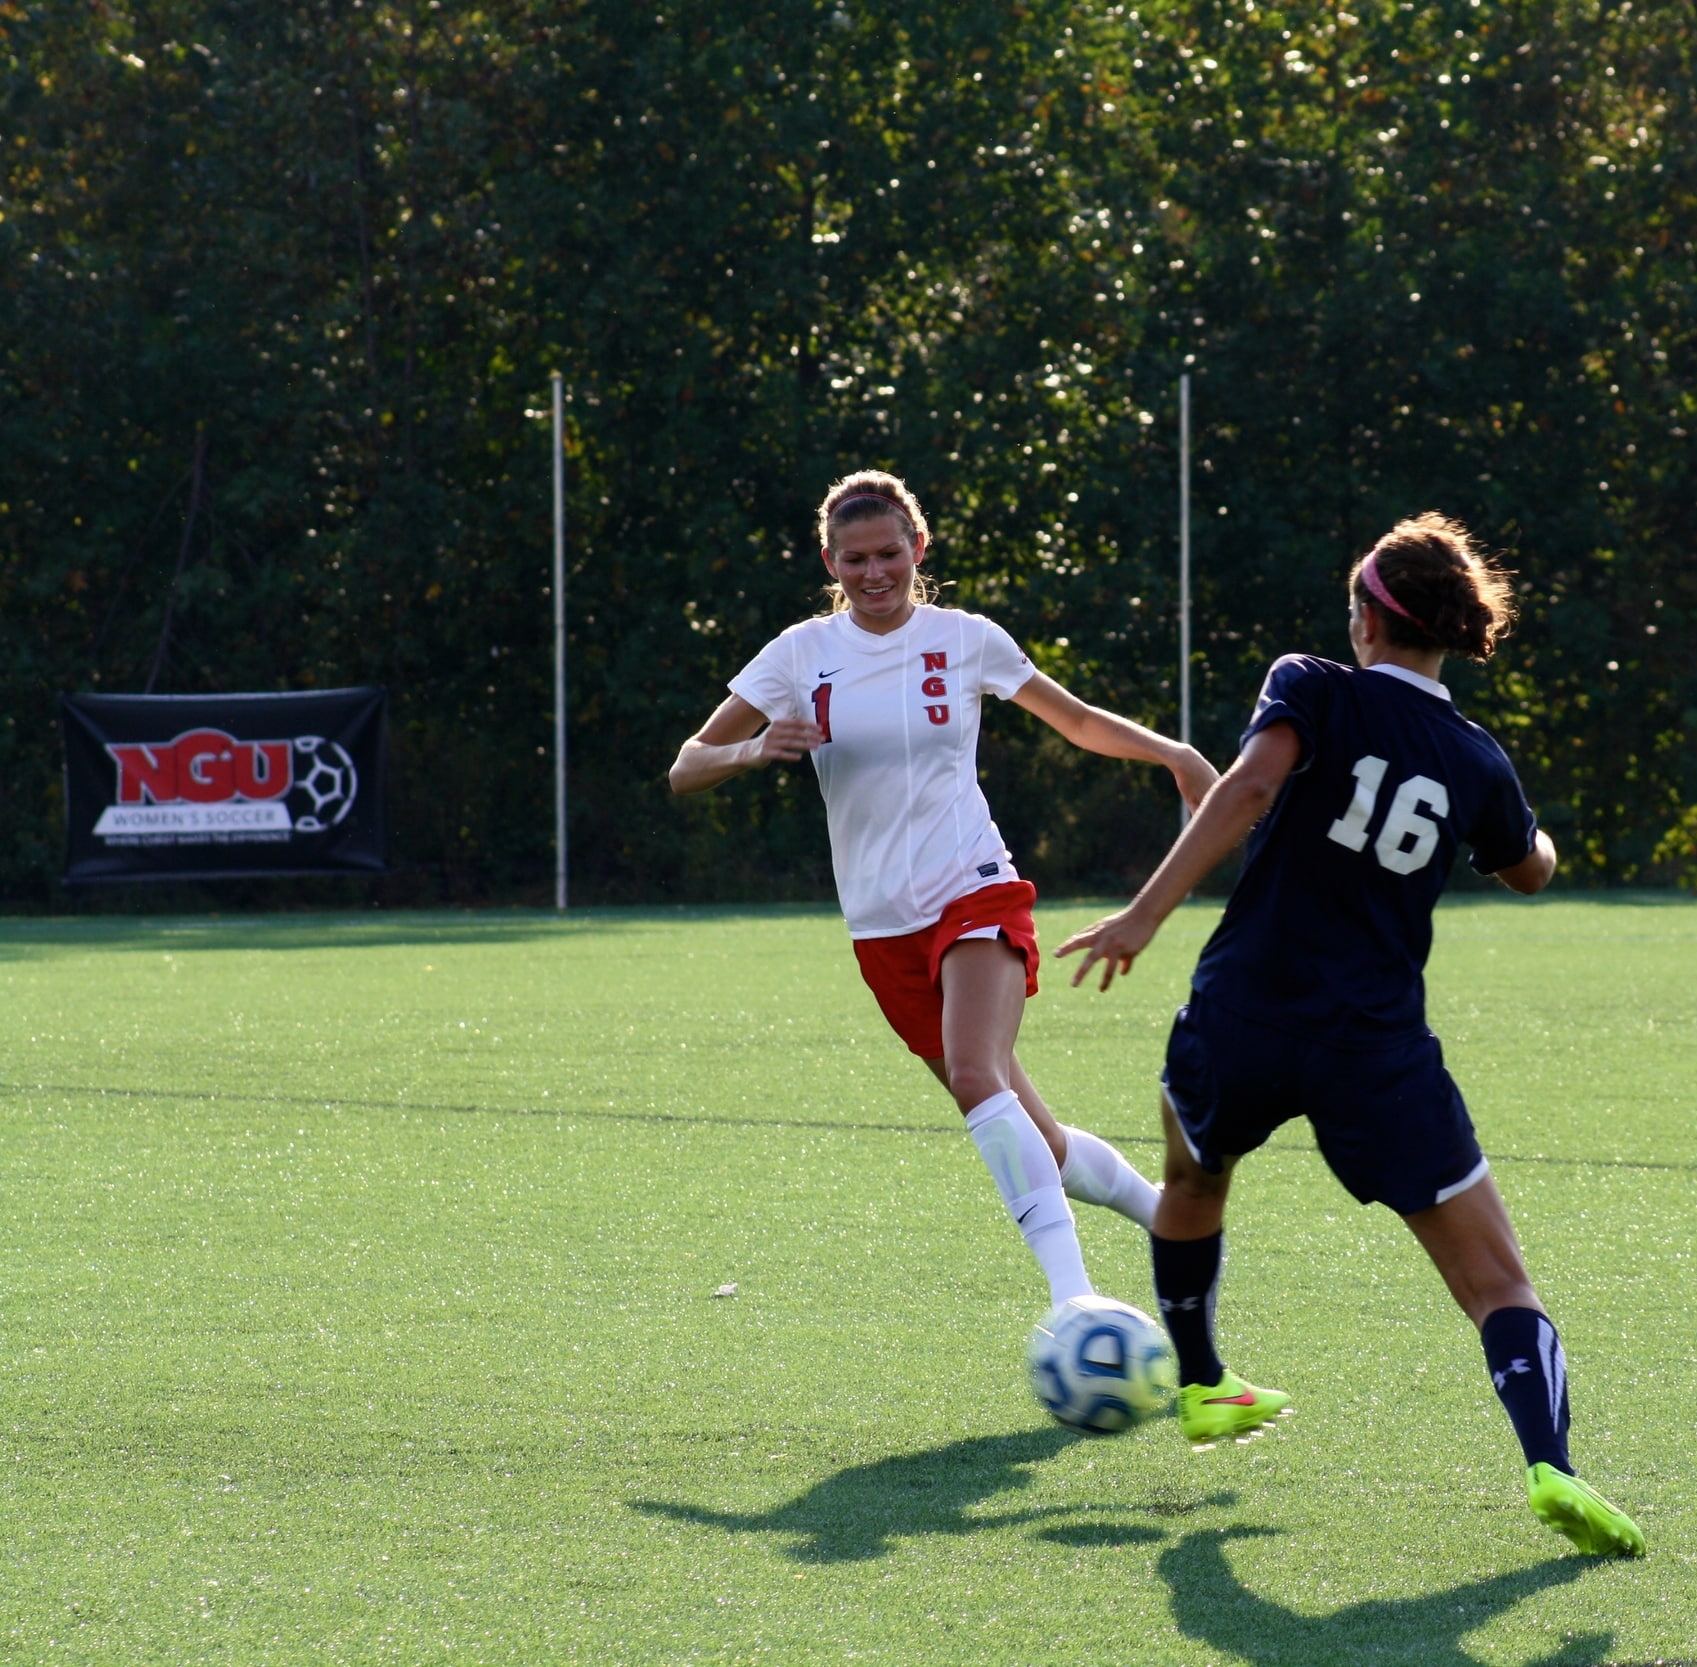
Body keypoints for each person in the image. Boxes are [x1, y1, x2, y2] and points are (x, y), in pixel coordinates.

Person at [1056, 513, 1646, 1558]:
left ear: (1369, 619)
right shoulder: (1475, 759)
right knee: (1497, 1283)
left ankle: (1199, 1382)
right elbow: (1529, 869)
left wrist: (1144, 913)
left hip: (1243, 1009)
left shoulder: (1313, 683)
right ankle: (1551, 1461)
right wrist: (1528, 823)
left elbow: (1247, 786)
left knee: (1193, 1178)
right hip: (1373, 1046)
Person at [670, 470, 1212, 1311]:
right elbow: (686, 766)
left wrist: (1174, 753)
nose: (874, 572)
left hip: (975, 887)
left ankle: (1075, 1302)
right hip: (881, 925)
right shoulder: (799, 654)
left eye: (890, 553)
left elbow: (1075, 720)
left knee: (973, 1072)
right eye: (855, 559)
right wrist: (752, 750)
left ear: (919, 549)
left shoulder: (966, 637)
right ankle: (1170, 1217)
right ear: (830, 560)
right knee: (1037, 1137)